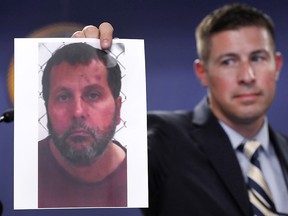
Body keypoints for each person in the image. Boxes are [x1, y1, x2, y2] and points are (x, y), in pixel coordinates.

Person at [74, 3, 288, 216]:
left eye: (258, 58)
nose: (247, 76)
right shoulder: (161, 140)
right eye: (228, 61)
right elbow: (94, 166)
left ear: (277, 65)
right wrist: (90, 76)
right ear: (202, 72)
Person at [38, 42, 127, 208]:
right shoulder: (27, 168)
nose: (77, 112)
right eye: (63, 97)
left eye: (93, 95)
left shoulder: (143, 175)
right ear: (47, 108)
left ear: (118, 108)